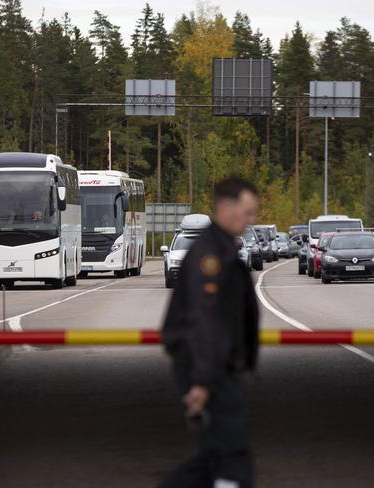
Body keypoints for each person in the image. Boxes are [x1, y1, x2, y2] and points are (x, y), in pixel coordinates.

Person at [159, 176, 260, 488]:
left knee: (211, 459)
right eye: (248, 212)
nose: (251, 220)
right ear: (227, 210)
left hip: (214, 367)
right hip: (208, 370)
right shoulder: (211, 256)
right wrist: (202, 381)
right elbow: (205, 321)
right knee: (233, 459)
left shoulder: (222, 247)